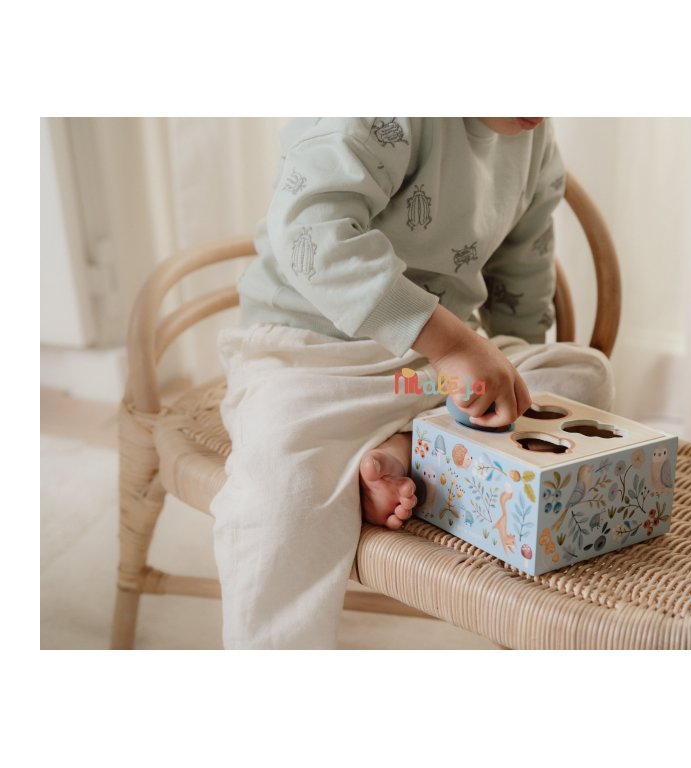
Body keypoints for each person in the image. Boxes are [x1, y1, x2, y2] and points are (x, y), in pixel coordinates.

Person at [210, 117, 614, 648]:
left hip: (427, 376)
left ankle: (402, 446)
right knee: (281, 490)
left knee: (582, 373)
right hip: (313, 356)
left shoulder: (533, 139)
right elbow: (314, 237)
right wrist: (454, 346)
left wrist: (502, 383)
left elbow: (523, 268)